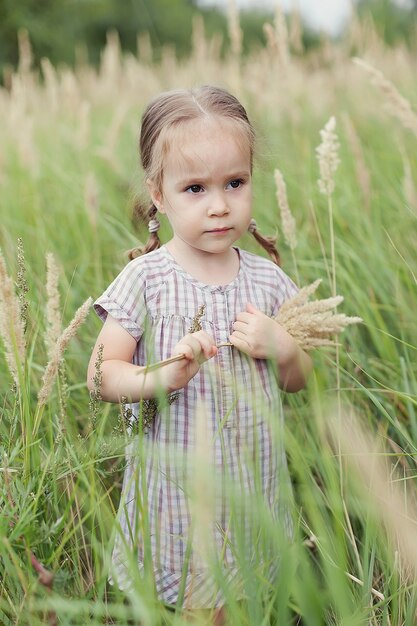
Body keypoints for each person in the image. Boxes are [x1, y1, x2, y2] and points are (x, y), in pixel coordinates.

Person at [88, 85, 312, 624]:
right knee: (201, 609)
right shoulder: (148, 279)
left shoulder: (266, 280)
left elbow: (300, 380)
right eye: (195, 188)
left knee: (250, 603)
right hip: (178, 493)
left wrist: (283, 347)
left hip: (253, 489)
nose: (219, 205)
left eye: (235, 183)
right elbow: (101, 375)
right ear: (158, 194)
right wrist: (162, 375)